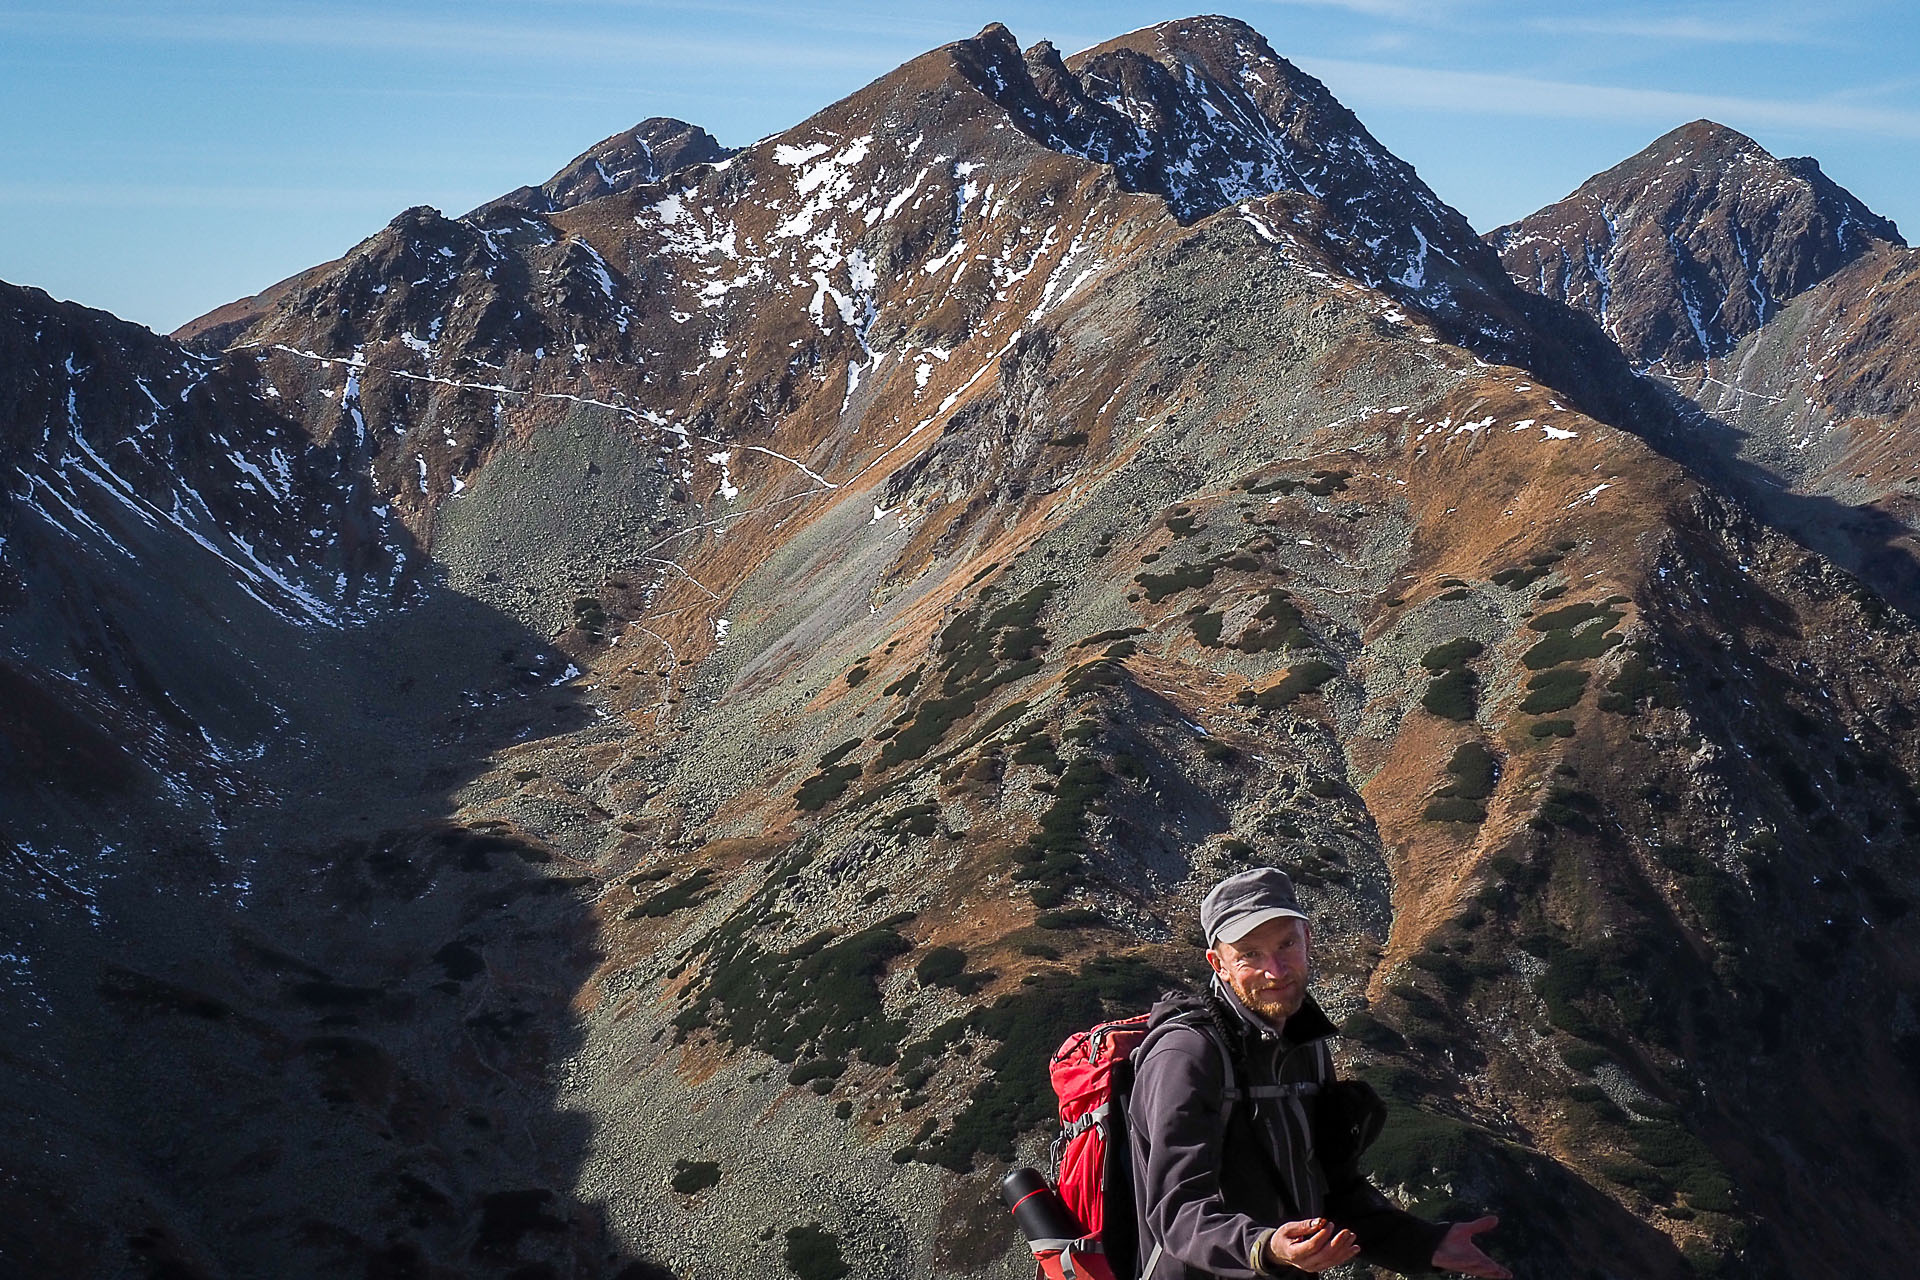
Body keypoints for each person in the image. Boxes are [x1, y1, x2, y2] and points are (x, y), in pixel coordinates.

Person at [1127, 867, 1512, 1278]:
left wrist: (1424, 1243)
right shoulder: (1186, 1055)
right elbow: (1176, 1213)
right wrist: (1264, 1246)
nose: (1275, 970)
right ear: (1218, 964)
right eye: (1250, 955)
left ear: (1308, 941)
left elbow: (1334, 1190)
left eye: (1286, 944)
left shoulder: (1304, 1046)